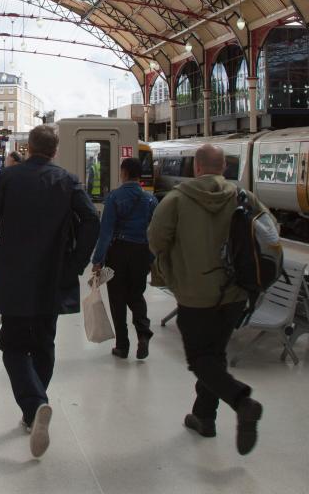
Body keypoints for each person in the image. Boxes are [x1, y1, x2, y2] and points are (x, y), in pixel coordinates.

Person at [0, 125, 99, 458]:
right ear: (55, 151)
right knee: (44, 342)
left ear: (27, 147)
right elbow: (91, 222)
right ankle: (34, 407)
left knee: (12, 344)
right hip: (53, 276)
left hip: (13, 275)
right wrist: (76, 263)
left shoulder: (8, 179)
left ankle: (34, 405)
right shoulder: (68, 181)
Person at [148, 144, 266, 455]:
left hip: (194, 293)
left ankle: (242, 401)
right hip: (234, 294)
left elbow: (156, 239)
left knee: (200, 359)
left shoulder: (176, 199)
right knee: (214, 354)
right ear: (224, 168)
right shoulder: (244, 197)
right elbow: (268, 231)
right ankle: (204, 417)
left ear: (197, 168)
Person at [92, 157, 158, 359]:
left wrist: (98, 259)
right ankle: (143, 333)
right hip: (141, 251)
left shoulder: (114, 197)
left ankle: (122, 345)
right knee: (136, 294)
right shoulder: (150, 199)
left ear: (125, 173)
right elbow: (155, 229)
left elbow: (106, 231)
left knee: (117, 298)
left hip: (118, 251)